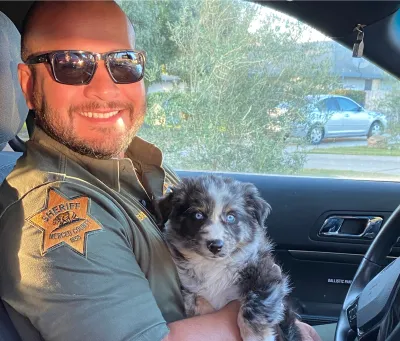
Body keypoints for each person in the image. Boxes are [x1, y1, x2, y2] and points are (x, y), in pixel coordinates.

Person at [0, 1, 325, 340]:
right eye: (69, 64)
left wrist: (290, 324)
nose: (104, 89)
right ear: (28, 84)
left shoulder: (142, 167)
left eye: (122, 63)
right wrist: (267, 319)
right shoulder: (52, 216)